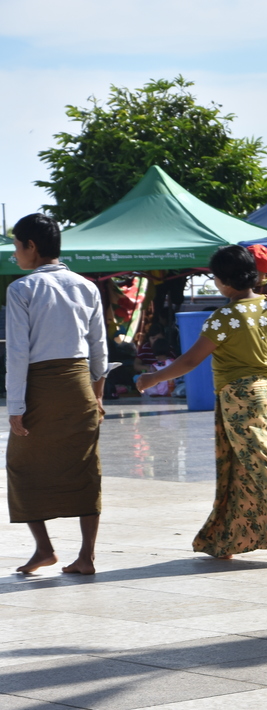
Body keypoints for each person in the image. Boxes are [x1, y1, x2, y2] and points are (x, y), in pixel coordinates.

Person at [137, 245, 267, 567]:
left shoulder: (224, 318)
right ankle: (226, 538)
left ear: (223, 281)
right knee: (239, 465)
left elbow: (190, 360)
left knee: (258, 465)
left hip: (240, 396)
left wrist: (151, 378)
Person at [7, 213, 107, 575]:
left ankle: (45, 549)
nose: (15, 255)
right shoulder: (86, 286)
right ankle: (86, 556)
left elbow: (17, 353)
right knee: (84, 467)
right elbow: (100, 350)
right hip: (80, 385)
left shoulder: (21, 289)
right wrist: (98, 396)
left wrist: (16, 406)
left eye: (17, 247)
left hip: (40, 389)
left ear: (31, 246)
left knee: (21, 466)